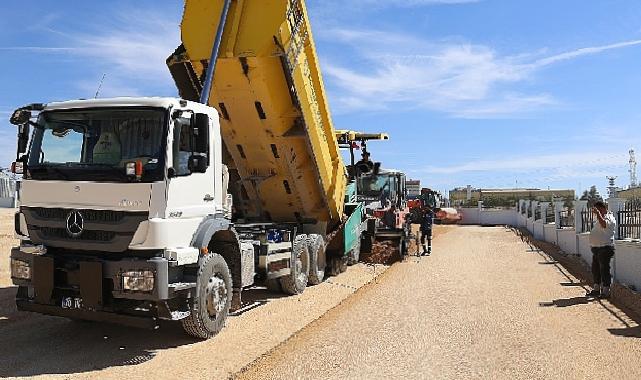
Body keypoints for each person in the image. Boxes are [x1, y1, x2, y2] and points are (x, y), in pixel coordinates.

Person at [587, 201, 617, 298]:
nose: (596, 212)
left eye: (598, 210)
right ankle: (596, 289)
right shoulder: (599, 218)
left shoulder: (610, 217)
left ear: (603, 208)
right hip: (597, 249)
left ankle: (606, 291)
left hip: (605, 248)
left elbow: (604, 225)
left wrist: (599, 214)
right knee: (596, 269)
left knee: (604, 269)